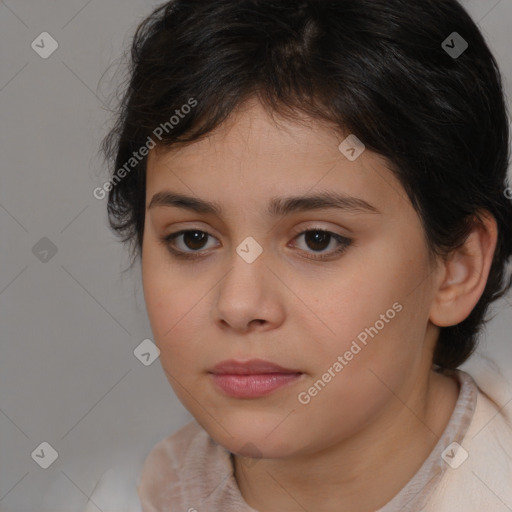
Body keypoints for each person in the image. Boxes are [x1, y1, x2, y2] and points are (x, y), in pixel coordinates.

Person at [88, 0, 512, 510]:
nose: (240, 305)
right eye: (193, 239)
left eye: (317, 239)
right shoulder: (129, 498)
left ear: (456, 269)